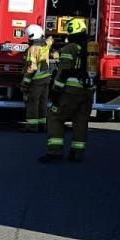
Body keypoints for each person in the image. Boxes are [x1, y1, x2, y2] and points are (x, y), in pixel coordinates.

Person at [41, 18, 98, 163]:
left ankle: (54, 152)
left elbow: (63, 73)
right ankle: (77, 153)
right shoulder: (91, 47)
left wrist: (55, 92)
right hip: (88, 91)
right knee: (80, 121)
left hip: (70, 92)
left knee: (55, 117)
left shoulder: (69, 49)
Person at [19, 25, 51, 132]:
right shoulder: (45, 45)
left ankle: (32, 126)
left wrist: (25, 83)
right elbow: (50, 41)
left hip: (36, 80)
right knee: (43, 103)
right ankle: (42, 125)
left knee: (33, 103)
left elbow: (31, 68)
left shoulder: (32, 49)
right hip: (46, 79)